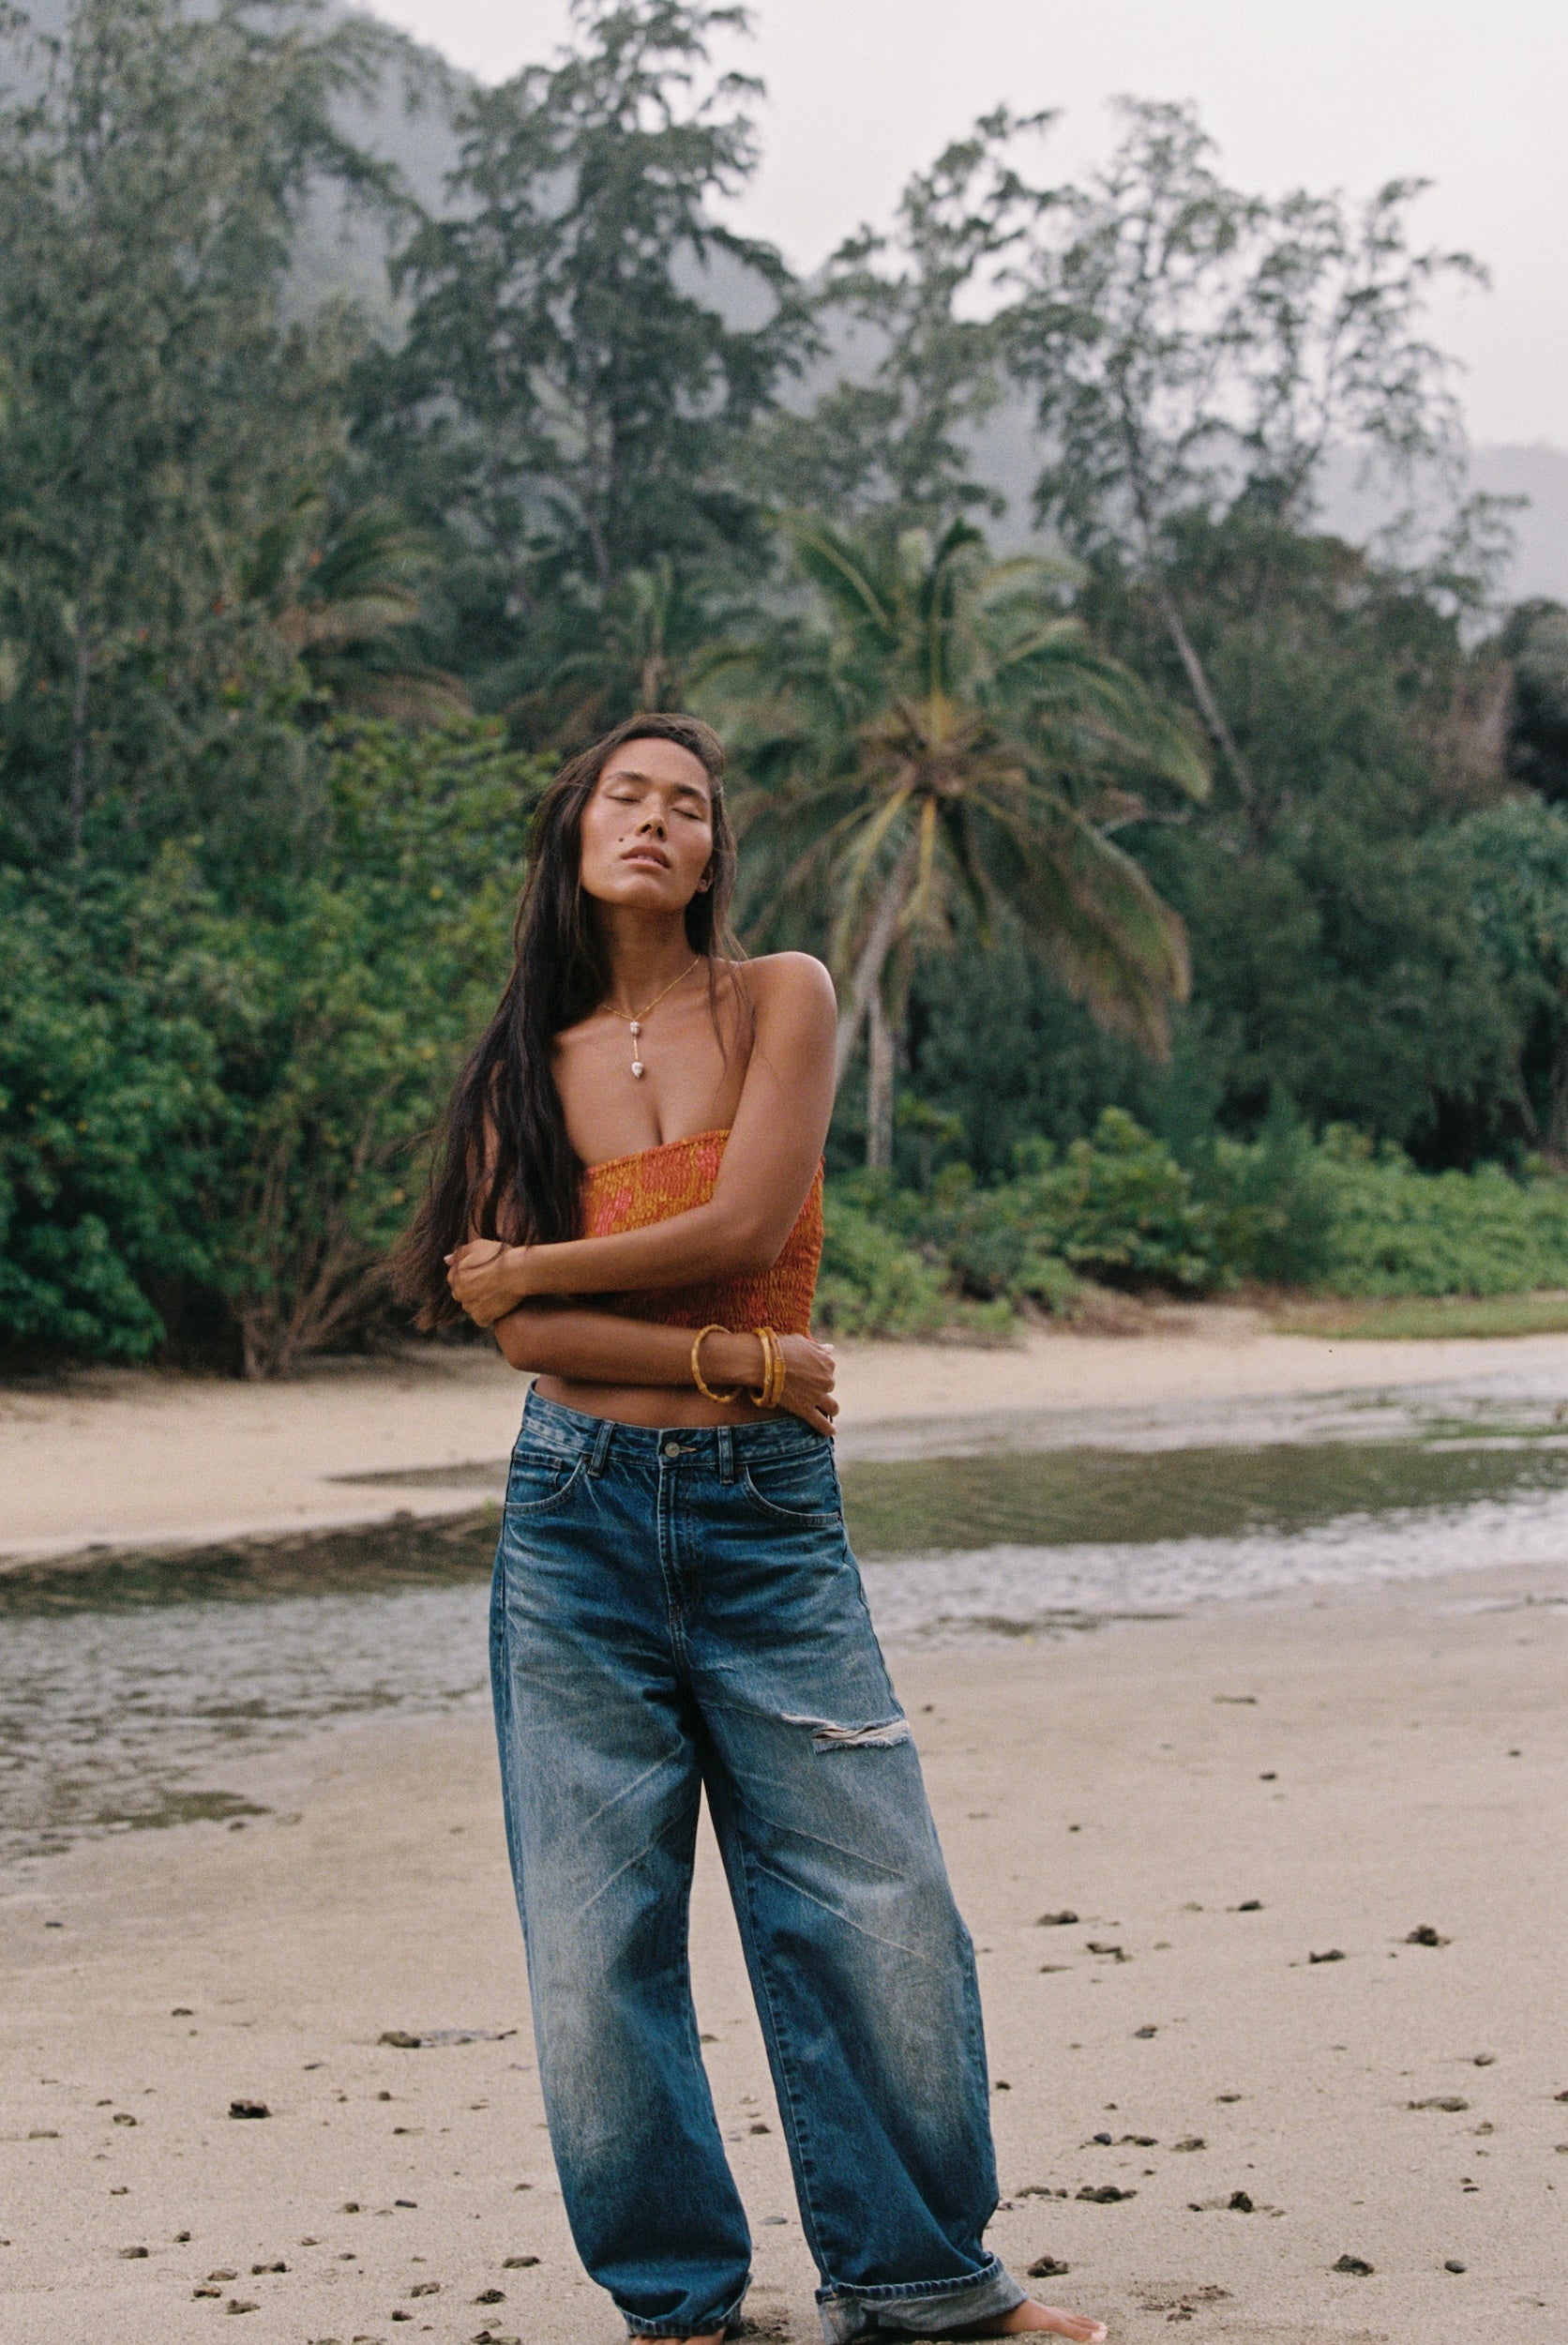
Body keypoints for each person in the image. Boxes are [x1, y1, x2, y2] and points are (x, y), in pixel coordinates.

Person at [394, 715, 1106, 2345]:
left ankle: (921, 2284)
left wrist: (536, 1264)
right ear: (573, 828)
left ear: (717, 851)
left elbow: (747, 1217)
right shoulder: (522, 1059)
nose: (653, 820)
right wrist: (744, 1358)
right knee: (597, 1943)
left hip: (767, 1522)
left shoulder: (783, 991)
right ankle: (680, 2308)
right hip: (573, 1521)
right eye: (623, 794)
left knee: (877, 1904)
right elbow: (528, 1356)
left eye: (687, 805)